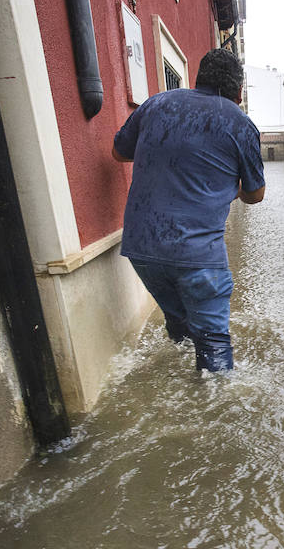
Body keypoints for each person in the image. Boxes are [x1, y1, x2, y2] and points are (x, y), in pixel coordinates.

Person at [112, 48, 265, 372]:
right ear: (238, 92)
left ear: (198, 78)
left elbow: (119, 152)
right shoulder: (239, 123)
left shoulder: (156, 103)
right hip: (198, 255)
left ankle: (176, 378)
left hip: (142, 250)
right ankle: (214, 416)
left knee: (179, 326)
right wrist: (223, 189)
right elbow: (255, 194)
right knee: (213, 348)